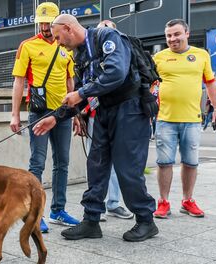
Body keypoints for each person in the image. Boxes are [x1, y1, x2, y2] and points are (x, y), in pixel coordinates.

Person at [34, 14, 158, 242]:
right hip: (104, 111)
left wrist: (80, 93)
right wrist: (55, 118)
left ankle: (145, 220)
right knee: (96, 164)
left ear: (69, 28)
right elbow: (81, 95)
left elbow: (116, 73)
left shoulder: (107, 37)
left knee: (127, 167)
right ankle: (91, 220)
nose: (59, 43)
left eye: (59, 37)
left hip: (129, 109)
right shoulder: (80, 55)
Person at [9, 2, 79, 233]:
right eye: (43, 22)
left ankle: (58, 210)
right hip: (39, 112)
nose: (46, 26)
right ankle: (35, 213)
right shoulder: (27, 46)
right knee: (37, 163)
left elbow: (71, 82)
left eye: (50, 22)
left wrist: (75, 114)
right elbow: (19, 81)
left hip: (62, 113)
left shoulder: (66, 47)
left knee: (63, 163)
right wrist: (15, 114)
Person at [152, 19, 216, 219]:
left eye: (176, 34)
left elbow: (210, 83)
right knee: (164, 162)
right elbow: (150, 84)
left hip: (192, 119)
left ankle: (187, 201)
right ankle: (163, 202)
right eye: (169, 36)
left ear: (187, 33)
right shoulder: (158, 57)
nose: (172, 39)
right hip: (165, 119)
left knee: (191, 163)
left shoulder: (201, 55)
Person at [83, 20, 134, 222]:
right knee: (96, 163)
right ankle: (97, 205)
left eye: (109, 29)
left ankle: (113, 203)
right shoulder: (89, 57)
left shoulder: (120, 56)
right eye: (102, 28)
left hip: (118, 117)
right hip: (95, 118)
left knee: (117, 163)